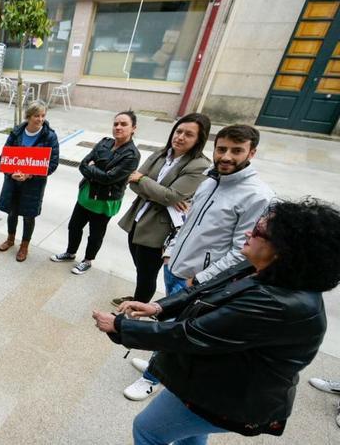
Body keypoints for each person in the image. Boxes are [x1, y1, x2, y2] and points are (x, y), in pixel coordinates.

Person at [93, 198, 340, 445]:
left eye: (257, 232)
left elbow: (191, 334)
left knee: (148, 431)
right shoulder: (263, 269)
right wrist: (158, 307)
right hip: (211, 381)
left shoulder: (277, 304)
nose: (247, 233)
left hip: (230, 395)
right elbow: (202, 289)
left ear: (284, 250)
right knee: (189, 434)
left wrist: (120, 326)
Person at [120, 124, 276, 401]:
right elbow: (188, 222)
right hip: (176, 267)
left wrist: (202, 279)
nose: (226, 156)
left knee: (178, 330)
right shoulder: (210, 182)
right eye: (222, 149)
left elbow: (242, 252)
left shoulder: (257, 195)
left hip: (201, 282)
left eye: (236, 151)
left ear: (252, 153)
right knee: (169, 320)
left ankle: (153, 378)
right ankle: (158, 364)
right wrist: (170, 252)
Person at [116, 113, 212, 304]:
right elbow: (131, 180)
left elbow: (171, 196)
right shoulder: (162, 153)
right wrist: (159, 192)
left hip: (158, 229)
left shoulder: (199, 165)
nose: (181, 137)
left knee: (147, 273)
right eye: (179, 131)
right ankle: (138, 298)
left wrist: (144, 180)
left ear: (199, 139)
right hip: (137, 219)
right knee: (140, 268)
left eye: (189, 134)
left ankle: (136, 309)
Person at [51, 111, 140, 274]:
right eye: (116, 124)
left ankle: (87, 260)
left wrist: (92, 168)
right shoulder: (104, 142)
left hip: (106, 200)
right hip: (87, 193)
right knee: (74, 226)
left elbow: (108, 179)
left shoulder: (132, 155)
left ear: (133, 128)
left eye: (123, 124)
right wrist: (96, 169)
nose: (118, 127)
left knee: (95, 234)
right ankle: (70, 253)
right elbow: (83, 164)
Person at [0, 100, 60, 262]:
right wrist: (12, 173)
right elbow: (4, 157)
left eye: (43, 116)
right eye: (36, 116)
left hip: (34, 184)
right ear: (28, 116)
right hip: (13, 181)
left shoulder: (49, 136)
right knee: (12, 211)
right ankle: (10, 239)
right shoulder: (17, 132)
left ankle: (24, 246)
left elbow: (52, 164)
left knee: (29, 215)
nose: (40, 119)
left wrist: (29, 174)